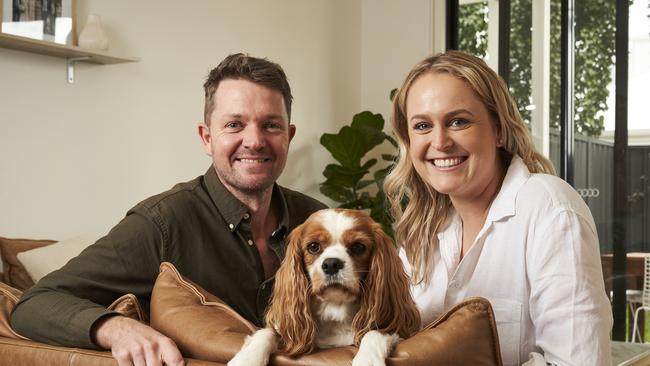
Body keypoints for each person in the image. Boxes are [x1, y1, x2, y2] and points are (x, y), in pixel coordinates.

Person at [10, 53, 326, 366]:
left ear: (289, 136)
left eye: (271, 125)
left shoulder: (318, 219)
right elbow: (36, 303)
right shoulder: (162, 223)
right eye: (234, 124)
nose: (254, 141)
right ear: (207, 138)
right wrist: (117, 328)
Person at [384, 51, 612, 366]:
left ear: (499, 131)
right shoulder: (421, 232)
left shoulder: (551, 210)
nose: (440, 141)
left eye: (458, 121)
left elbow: (578, 362)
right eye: (422, 126)